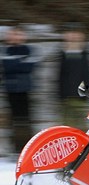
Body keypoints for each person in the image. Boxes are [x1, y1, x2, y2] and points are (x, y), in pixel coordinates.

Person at [1, 25, 37, 153]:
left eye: (18, 34)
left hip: (25, 90)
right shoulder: (4, 51)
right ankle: (15, 149)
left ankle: (27, 149)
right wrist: (20, 63)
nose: (15, 37)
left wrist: (14, 64)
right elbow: (6, 67)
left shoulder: (29, 49)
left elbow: (29, 67)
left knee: (25, 120)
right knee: (13, 121)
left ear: (23, 37)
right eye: (12, 34)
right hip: (10, 90)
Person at [57, 23, 89, 130]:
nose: (73, 36)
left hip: (80, 97)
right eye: (71, 33)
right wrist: (61, 96)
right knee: (68, 127)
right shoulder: (63, 54)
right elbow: (60, 76)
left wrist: (85, 93)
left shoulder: (84, 54)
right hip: (66, 98)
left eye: (76, 33)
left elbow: (87, 75)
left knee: (81, 127)